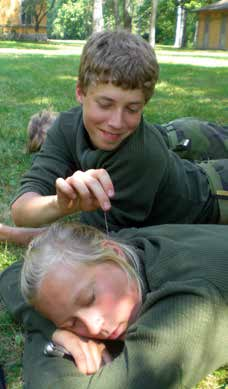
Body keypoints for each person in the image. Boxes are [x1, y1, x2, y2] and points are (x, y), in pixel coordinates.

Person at [10, 30, 228, 233]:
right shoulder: (66, 125)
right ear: (80, 92)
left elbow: (90, 239)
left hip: (217, 194)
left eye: (133, 109)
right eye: (105, 104)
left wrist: (15, 236)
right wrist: (58, 204)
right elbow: (22, 207)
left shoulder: (140, 156)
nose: (116, 122)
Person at [0, 221, 228, 388]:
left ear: (114, 252)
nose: (92, 327)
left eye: (90, 299)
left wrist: (47, 343)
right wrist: (58, 331)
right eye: (73, 322)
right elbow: (11, 275)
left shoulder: (191, 306)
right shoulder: (126, 254)